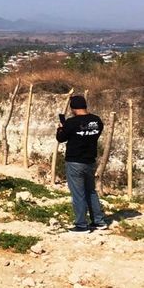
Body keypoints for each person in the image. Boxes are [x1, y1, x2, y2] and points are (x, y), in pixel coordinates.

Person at [56, 95, 107, 233]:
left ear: (72, 108)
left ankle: (81, 225)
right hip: (90, 161)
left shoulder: (71, 123)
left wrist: (61, 127)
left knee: (78, 194)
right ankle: (98, 221)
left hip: (75, 162)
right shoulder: (97, 120)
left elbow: (61, 138)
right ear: (85, 106)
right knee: (91, 191)